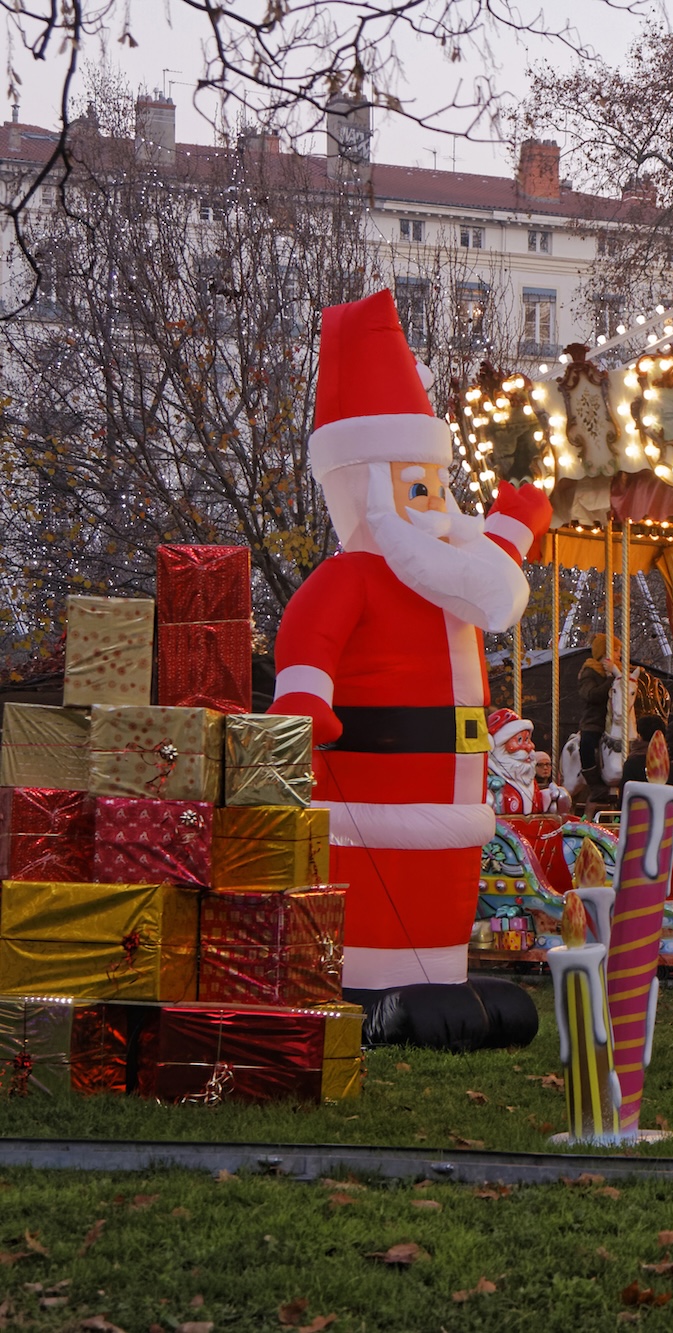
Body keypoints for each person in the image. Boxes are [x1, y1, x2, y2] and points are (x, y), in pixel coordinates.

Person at [270, 288, 551, 1050]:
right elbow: (306, 639)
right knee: (381, 876)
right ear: (366, 486)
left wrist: (511, 530)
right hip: (373, 787)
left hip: (452, 790)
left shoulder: (440, 576)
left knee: (440, 877)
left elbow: (489, 588)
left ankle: (440, 974)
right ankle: (365, 979)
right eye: (417, 487)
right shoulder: (351, 577)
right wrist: (304, 697)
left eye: (439, 485)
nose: (437, 504)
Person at [487, 708, 561, 814]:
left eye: (528, 740)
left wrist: (550, 797)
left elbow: (537, 803)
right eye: (520, 740)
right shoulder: (492, 778)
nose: (530, 746)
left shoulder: (526, 779)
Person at [575, 633, 618, 789]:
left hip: (616, 723)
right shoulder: (589, 672)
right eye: (616, 650)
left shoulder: (619, 671)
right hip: (595, 721)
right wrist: (610, 680)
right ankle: (594, 784)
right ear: (606, 653)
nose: (620, 654)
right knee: (587, 745)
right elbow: (591, 695)